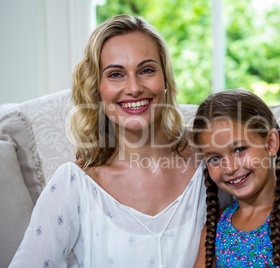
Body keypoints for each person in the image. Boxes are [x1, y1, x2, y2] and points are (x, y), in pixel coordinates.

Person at [10, 14, 232, 268]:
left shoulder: (212, 165)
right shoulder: (74, 185)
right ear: (97, 88)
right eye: (116, 74)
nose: (134, 87)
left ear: (166, 80)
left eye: (146, 70)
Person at [192, 89, 280, 268]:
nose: (230, 168)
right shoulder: (215, 226)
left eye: (239, 149)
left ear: (271, 143)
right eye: (215, 159)